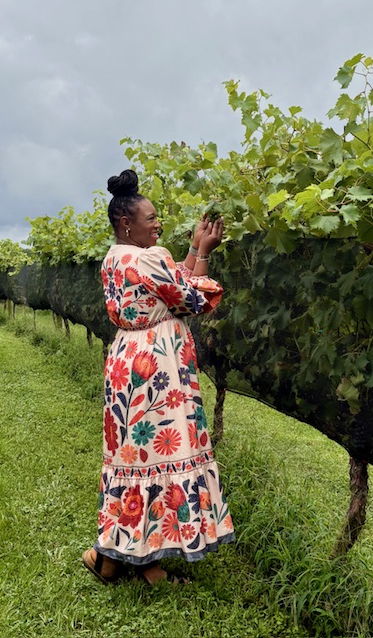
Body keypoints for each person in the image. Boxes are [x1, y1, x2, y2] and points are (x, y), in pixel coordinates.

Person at [82, 169, 234, 585]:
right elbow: (192, 297)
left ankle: (119, 558)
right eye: (151, 219)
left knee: (135, 457)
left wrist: (192, 249)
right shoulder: (151, 257)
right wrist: (205, 253)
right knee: (160, 453)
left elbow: (167, 283)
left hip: (127, 361)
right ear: (126, 223)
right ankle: (131, 561)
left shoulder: (116, 258)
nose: (158, 224)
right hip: (156, 367)